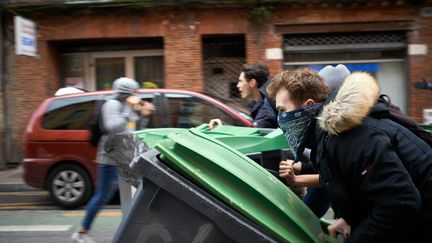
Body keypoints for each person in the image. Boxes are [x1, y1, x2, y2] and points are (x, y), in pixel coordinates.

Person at [267, 67, 432, 242]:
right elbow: (365, 187)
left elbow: (399, 204)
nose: (280, 119)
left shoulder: (347, 138)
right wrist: (350, 219)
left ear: (308, 106)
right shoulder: (328, 138)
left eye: (283, 111)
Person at [71, 77, 155, 243]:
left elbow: (134, 130)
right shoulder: (113, 105)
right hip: (109, 157)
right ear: (127, 92)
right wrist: (129, 109)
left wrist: (144, 116)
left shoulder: (124, 106)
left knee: (132, 193)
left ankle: (132, 231)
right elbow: (112, 127)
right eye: (134, 92)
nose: (137, 95)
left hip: (124, 156)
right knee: (103, 195)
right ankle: (81, 232)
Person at [209, 63, 277, 129]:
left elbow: (253, 135)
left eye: (240, 81)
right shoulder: (257, 104)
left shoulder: (266, 112)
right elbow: (251, 126)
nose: (237, 85)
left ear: (252, 83)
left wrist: (222, 129)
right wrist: (223, 125)